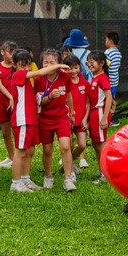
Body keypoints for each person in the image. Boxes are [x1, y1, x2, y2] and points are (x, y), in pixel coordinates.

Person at [9, 49, 69, 193]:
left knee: (30, 150)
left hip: (31, 118)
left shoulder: (24, 77)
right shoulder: (18, 75)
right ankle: (15, 183)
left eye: (28, 65)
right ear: (15, 65)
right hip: (22, 119)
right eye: (22, 65)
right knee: (20, 151)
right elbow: (41, 72)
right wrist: (59, 66)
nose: (26, 68)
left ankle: (25, 179)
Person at [34, 49, 77, 191]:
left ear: (58, 64)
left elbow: (69, 96)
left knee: (65, 146)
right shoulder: (39, 79)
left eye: (52, 62)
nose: (48, 64)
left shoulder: (65, 76)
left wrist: (71, 112)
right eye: (45, 62)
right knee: (47, 150)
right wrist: (51, 97)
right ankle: (48, 176)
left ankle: (68, 178)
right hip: (45, 119)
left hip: (61, 117)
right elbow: (40, 102)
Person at [87, 51, 113, 183]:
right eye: (88, 61)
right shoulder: (95, 77)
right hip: (93, 114)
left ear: (102, 63)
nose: (89, 64)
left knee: (101, 144)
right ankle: (101, 170)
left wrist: (104, 118)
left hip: (100, 113)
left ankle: (106, 174)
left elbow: (109, 97)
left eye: (93, 61)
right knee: (95, 143)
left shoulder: (102, 78)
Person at [63, 54, 90, 169]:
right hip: (67, 119)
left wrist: (85, 118)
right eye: (70, 68)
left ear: (80, 67)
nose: (73, 71)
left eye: (76, 67)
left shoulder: (85, 83)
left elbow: (88, 102)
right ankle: (70, 167)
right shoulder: (63, 83)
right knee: (68, 145)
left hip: (81, 120)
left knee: (82, 145)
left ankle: (69, 163)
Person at [0, 41, 18, 169]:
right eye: (10, 52)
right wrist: (10, 97)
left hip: (16, 100)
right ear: (2, 52)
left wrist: (14, 98)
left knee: (16, 129)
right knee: (5, 131)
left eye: (14, 52)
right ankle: (11, 156)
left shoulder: (17, 66)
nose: (12, 55)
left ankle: (18, 157)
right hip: (3, 100)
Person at [104, 32, 122, 127]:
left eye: (106, 40)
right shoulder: (118, 53)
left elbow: (106, 65)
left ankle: (108, 118)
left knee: (107, 99)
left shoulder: (108, 52)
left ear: (110, 41)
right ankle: (113, 116)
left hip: (108, 81)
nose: (105, 42)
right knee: (113, 98)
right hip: (115, 80)